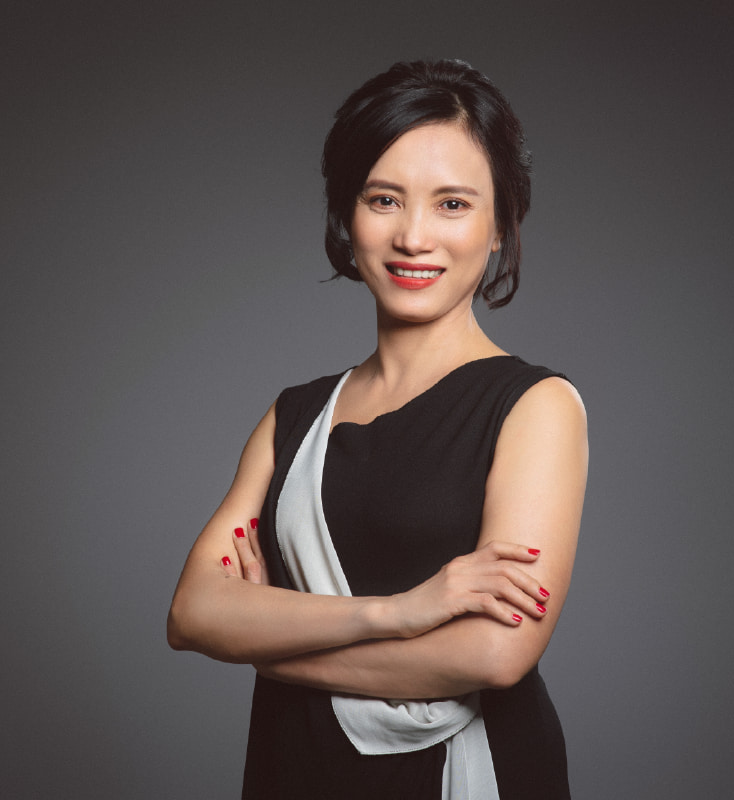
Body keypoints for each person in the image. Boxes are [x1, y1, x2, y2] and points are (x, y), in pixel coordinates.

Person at [168, 59, 588, 799]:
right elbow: (194, 612)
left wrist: (274, 648)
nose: (413, 236)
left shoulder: (536, 405)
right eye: (384, 198)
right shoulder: (295, 414)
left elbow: (496, 652)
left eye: (453, 204)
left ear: (500, 227)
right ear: (347, 214)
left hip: (466, 771)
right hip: (294, 767)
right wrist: (402, 612)